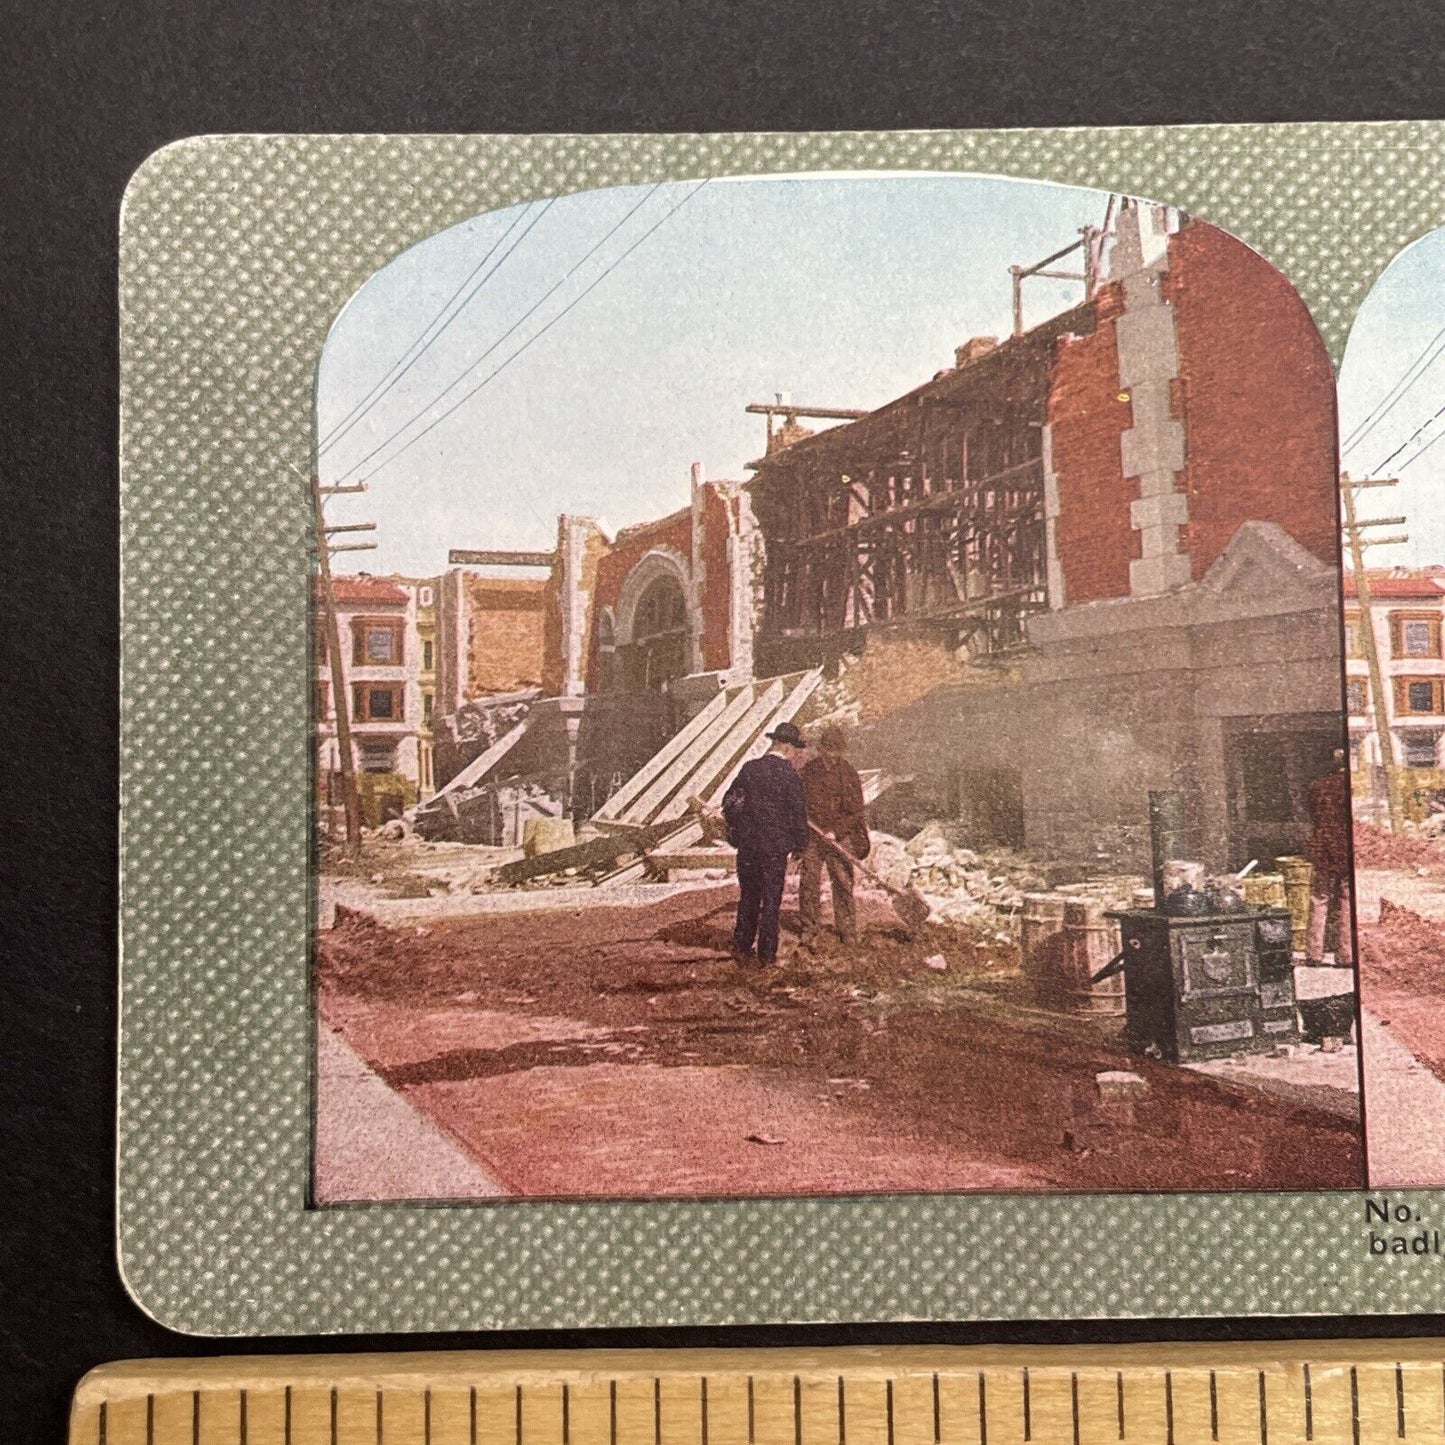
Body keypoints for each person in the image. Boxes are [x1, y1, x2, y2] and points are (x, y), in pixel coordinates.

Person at [722, 721, 810, 964]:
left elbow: (729, 803)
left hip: (749, 845)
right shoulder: (790, 776)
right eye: (793, 748)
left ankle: (742, 946)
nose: (794, 753)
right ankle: (767, 954)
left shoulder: (750, 769)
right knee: (771, 900)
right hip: (775, 848)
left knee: (749, 895)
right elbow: (798, 814)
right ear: (787, 747)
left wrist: (737, 834)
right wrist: (800, 845)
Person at [799, 724, 870, 945]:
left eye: (835, 750)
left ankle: (847, 929)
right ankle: (809, 927)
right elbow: (798, 801)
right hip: (813, 836)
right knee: (809, 882)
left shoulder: (848, 773)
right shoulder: (809, 771)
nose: (831, 755)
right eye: (827, 750)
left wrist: (835, 832)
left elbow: (857, 811)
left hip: (840, 836)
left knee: (842, 881)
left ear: (841, 750)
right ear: (820, 749)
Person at [1305, 747, 1354, 967]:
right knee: (1346, 900)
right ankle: (1346, 955)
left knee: (1319, 898)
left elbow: (1313, 815)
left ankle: (1313, 953)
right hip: (1344, 847)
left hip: (1323, 846)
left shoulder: (1317, 786)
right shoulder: (1349, 786)